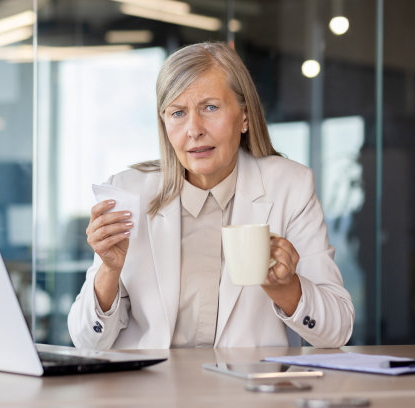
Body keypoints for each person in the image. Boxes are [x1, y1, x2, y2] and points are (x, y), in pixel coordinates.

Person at [68, 42, 354, 350]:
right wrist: (109, 270)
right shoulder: (130, 192)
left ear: (244, 117)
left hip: (245, 393)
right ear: (164, 124)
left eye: (210, 108)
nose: (194, 129)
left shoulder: (289, 186)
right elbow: (87, 340)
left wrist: (288, 289)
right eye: (178, 113)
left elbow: (336, 331)